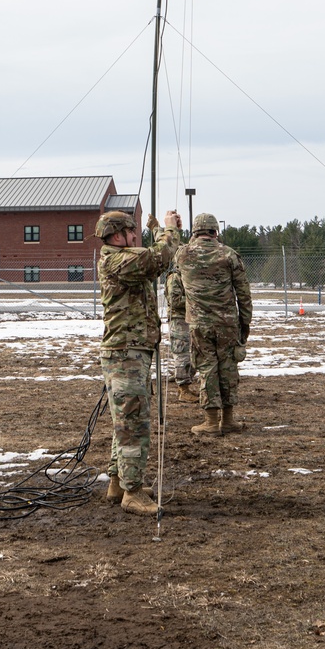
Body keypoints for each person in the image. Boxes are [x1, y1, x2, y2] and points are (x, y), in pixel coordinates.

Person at [96, 207, 182, 515]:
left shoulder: (124, 259)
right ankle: (132, 493)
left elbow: (154, 258)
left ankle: (119, 482)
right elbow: (157, 258)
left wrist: (159, 228)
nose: (137, 237)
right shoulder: (117, 260)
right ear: (118, 236)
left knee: (126, 421)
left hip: (132, 352)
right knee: (133, 424)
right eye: (132, 233)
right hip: (125, 355)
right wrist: (170, 232)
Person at [174, 212, 253, 437]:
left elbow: (171, 249)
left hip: (199, 325)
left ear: (195, 232)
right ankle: (227, 420)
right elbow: (244, 295)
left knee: (207, 368)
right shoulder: (229, 255)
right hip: (227, 323)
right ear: (215, 232)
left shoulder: (183, 255)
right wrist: (244, 325)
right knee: (228, 367)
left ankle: (210, 421)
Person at [165, 265, 199, 402]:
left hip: (189, 318)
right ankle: (183, 390)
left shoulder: (187, 275)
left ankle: (186, 381)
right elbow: (174, 301)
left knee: (192, 353)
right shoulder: (175, 278)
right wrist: (196, 300)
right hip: (179, 320)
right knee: (182, 354)